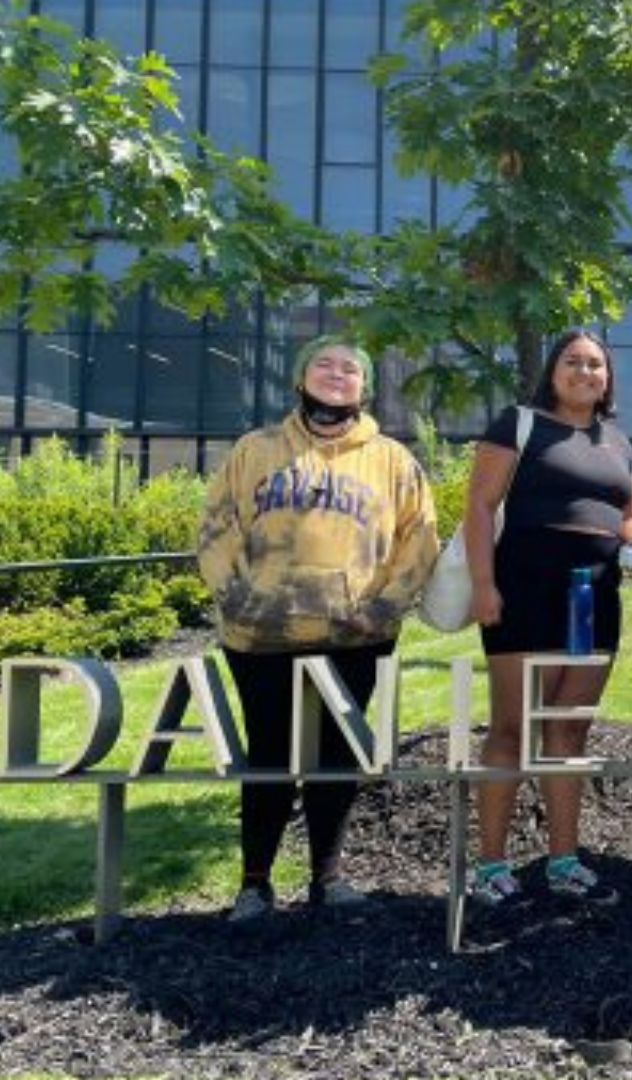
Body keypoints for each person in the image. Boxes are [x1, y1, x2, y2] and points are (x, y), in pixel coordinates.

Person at [198, 335, 439, 922]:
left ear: (365, 386)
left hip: (355, 637)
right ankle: (254, 885)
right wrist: (238, 600)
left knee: (338, 758)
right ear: (301, 379)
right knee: (270, 758)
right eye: (325, 365)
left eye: (351, 369)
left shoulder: (391, 460)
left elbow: (421, 540)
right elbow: (216, 529)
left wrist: (382, 609)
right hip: (262, 638)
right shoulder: (256, 449)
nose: (337, 375)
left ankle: (327, 878)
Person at [463, 329, 632, 907]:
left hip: (596, 594)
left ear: (608, 379)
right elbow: (480, 504)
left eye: (596, 364)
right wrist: (482, 583)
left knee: (570, 728)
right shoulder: (518, 424)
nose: (585, 372)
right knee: (513, 727)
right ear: (552, 370)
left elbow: (625, 517)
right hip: (525, 586)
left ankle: (563, 861)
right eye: (573, 361)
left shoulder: (618, 442)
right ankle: (491, 864)